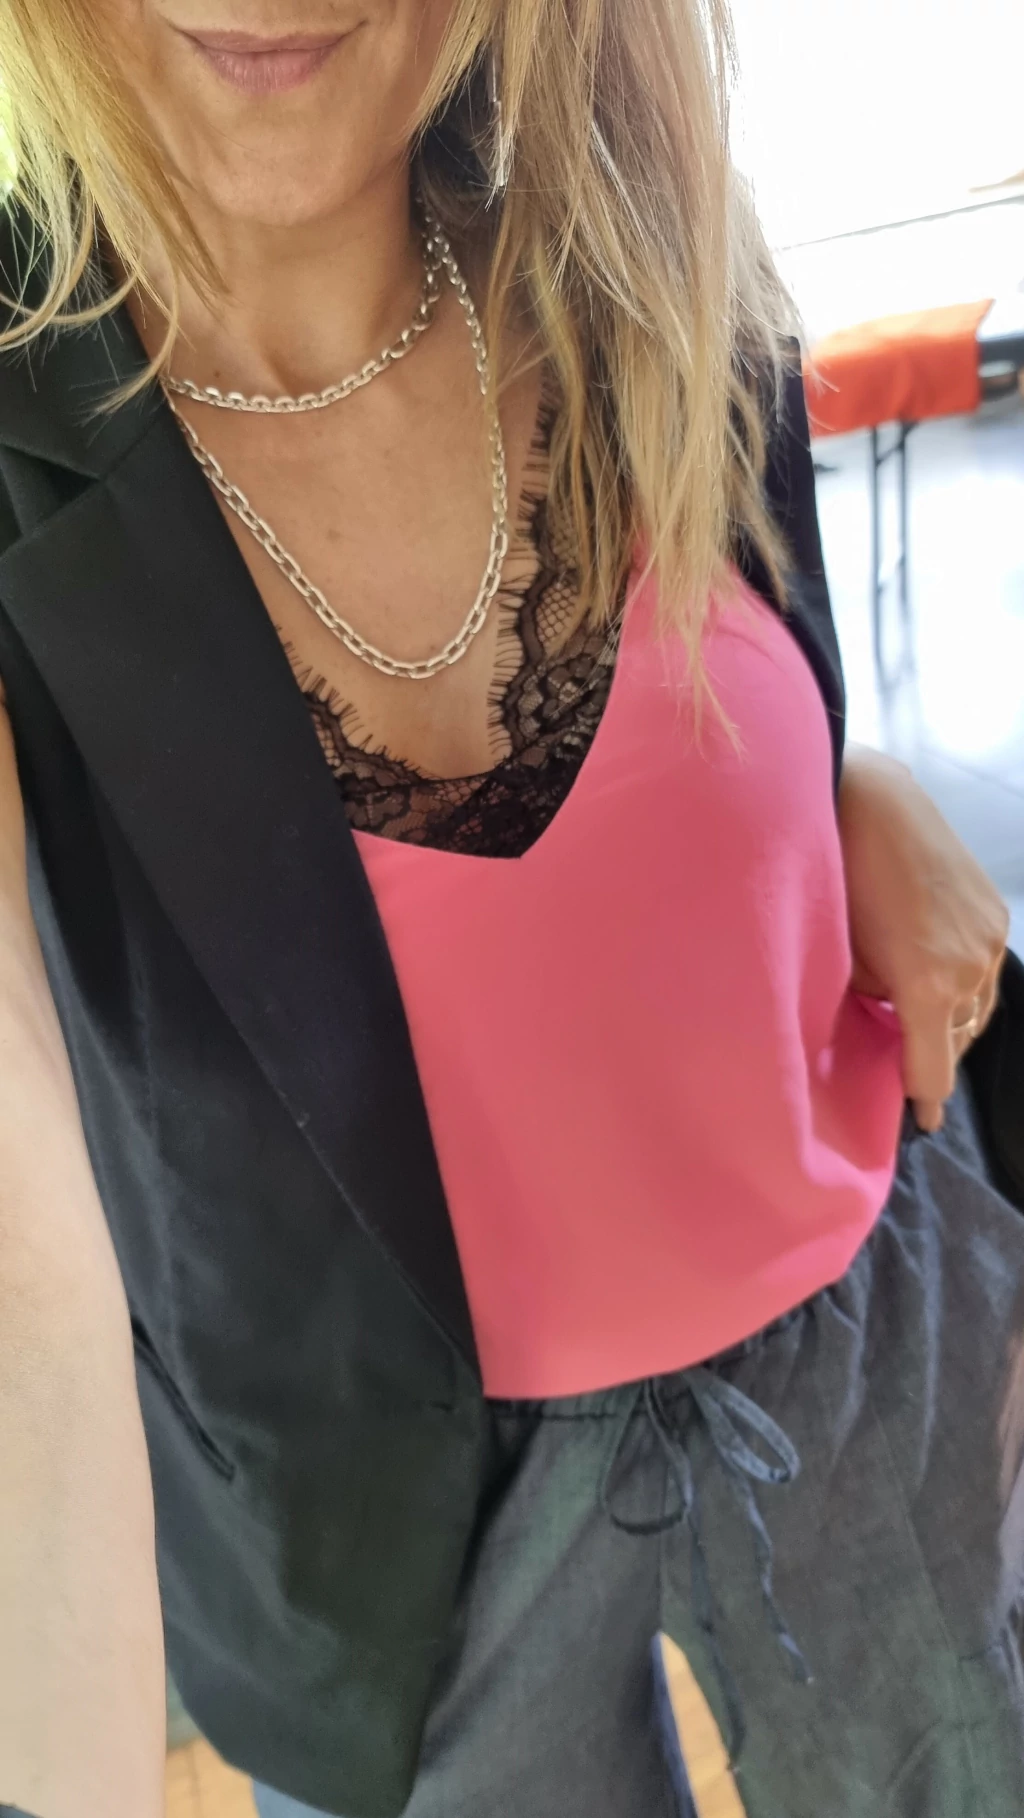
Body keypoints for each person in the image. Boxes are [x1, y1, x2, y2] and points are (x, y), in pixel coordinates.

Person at [0, 3, 1020, 1817]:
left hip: (867, 1331)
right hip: (387, 1549)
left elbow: (753, 652)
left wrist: (842, 781)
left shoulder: (648, 243)